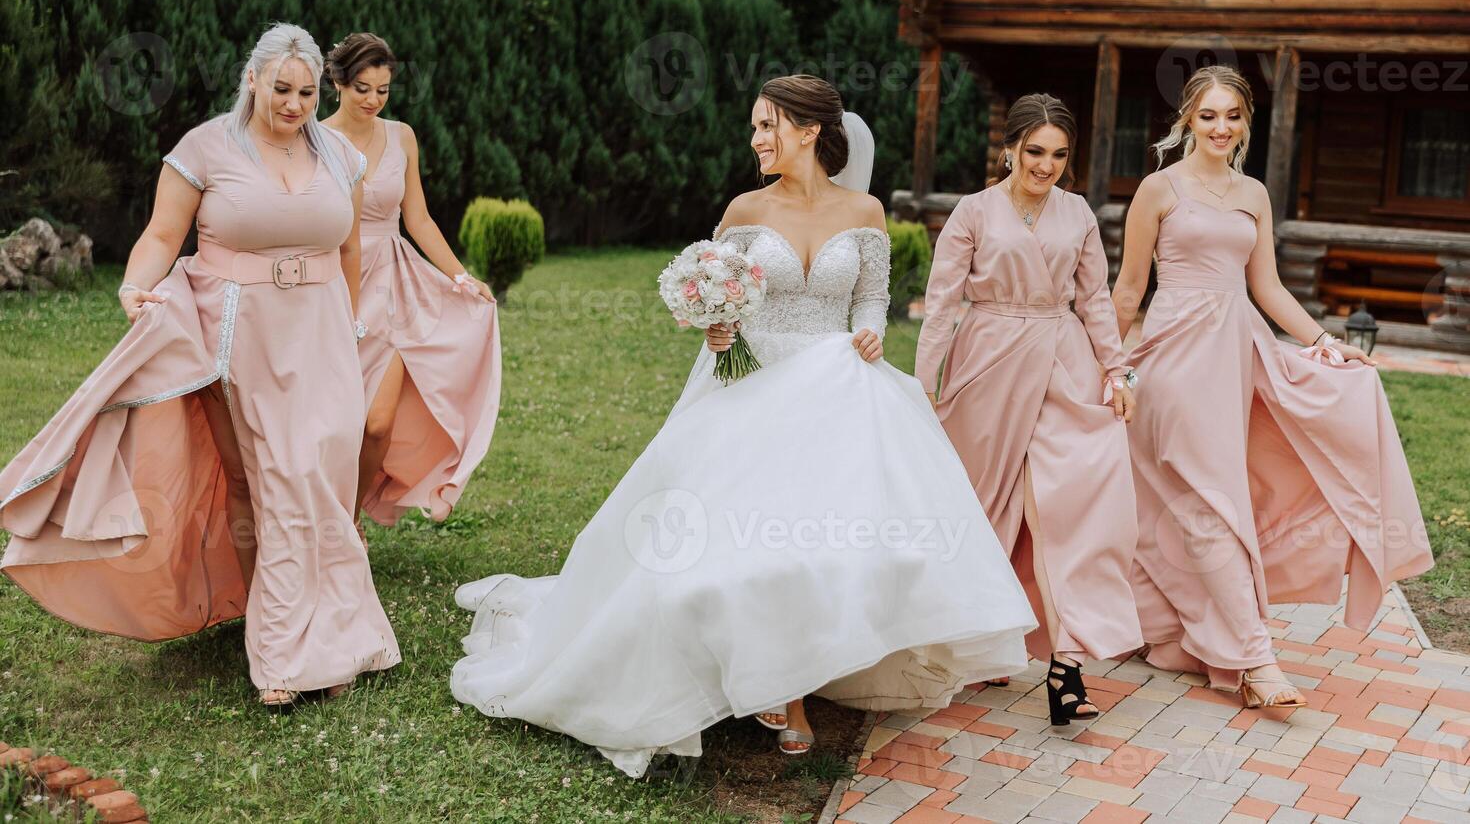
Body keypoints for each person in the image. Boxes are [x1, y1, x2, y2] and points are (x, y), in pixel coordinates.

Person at [450, 74, 1035, 775]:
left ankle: (814, 661)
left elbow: (872, 297)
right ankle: (781, 693)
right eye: (755, 127)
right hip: (753, 388)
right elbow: (718, 299)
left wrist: (872, 333)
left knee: (831, 543)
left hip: (840, 388)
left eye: (768, 126)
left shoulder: (867, 210)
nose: (756, 140)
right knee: (737, 549)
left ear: (810, 131)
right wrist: (717, 327)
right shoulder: (745, 209)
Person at [0, 23, 400, 707]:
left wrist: (352, 323)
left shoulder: (337, 154)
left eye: (306, 92)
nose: (295, 104)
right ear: (253, 79)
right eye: (281, 88)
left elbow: (352, 253)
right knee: (272, 477)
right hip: (240, 331)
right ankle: (280, 654)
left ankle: (339, 632)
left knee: (326, 475)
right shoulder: (206, 147)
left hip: (325, 332)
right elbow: (162, 234)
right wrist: (135, 284)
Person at [1111, 64, 1433, 709]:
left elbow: (1268, 288)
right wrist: (1108, 363)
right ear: (1187, 120)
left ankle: (1177, 633)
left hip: (1236, 355)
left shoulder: (1254, 194)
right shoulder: (1158, 189)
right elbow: (1128, 290)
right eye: (1208, 115)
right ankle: (1256, 660)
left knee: (1208, 503)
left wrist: (1322, 341)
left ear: (1246, 122)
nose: (1220, 127)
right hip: (1173, 359)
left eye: (1232, 115)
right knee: (1210, 507)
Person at [916, 93, 1143, 726]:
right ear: (1010, 148)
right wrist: (922, 389)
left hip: (1063, 364)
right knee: (984, 508)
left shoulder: (1080, 215)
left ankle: (1067, 663)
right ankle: (980, 639)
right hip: (986, 363)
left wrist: (1118, 368)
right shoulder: (973, 211)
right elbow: (940, 306)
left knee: (1068, 509)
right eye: (1035, 152)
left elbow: (1095, 300)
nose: (1046, 166)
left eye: (1059, 155)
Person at [322, 32, 500, 534]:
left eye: (383, 89)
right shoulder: (313, 140)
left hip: (397, 287)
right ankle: (313, 517)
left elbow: (418, 218)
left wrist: (461, 276)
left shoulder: (402, 136)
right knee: (333, 422)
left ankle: (347, 521)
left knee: (377, 422)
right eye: (362, 88)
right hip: (332, 282)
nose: (373, 100)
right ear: (336, 82)